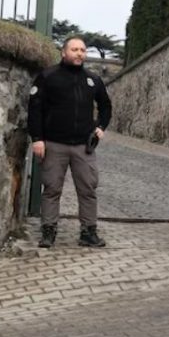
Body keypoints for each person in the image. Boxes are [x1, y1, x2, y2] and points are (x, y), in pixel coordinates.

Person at [28, 36, 113, 248]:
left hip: (84, 147)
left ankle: (88, 232)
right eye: (74, 49)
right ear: (63, 52)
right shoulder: (48, 77)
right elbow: (34, 110)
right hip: (54, 144)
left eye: (82, 50)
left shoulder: (93, 80)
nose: (79, 53)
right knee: (52, 189)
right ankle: (48, 232)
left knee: (88, 190)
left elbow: (106, 106)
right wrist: (37, 139)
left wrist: (101, 127)